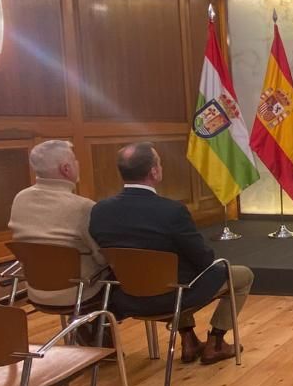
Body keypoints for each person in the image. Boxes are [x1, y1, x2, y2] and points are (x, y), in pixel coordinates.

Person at [89, 142, 254, 365]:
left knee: (173, 273)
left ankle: (188, 339)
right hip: (171, 298)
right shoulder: (172, 211)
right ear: (154, 172)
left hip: (126, 298)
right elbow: (203, 260)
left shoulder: (100, 211)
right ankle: (216, 342)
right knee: (242, 275)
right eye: (159, 163)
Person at [8, 139, 108, 310]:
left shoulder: (20, 198)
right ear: (66, 169)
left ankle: (82, 330)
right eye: (75, 160)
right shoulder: (84, 207)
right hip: (78, 292)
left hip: (35, 289)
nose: (78, 164)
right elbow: (101, 257)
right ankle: (97, 332)